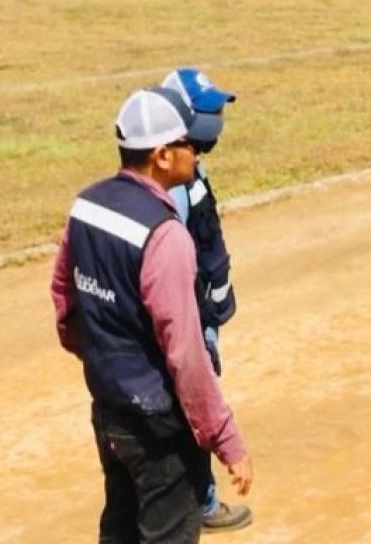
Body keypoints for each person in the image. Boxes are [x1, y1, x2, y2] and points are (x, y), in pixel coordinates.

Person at [51, 87, 254, 544]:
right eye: (190, 145)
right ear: (162, 155)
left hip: (108, 406)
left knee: (120, 527)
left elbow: (64, 300)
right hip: (158, 423)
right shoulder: (166, 235)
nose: (197, 155)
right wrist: (226, 438)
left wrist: (104, 357)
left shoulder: (86, 206)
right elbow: (185, 353)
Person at [159, 67, 252, 532]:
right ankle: (203, 502)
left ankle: (198, 499)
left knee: (195, 400)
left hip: (205, 310)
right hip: (191, 315)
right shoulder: (172, 182)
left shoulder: (189, 165)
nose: (216, 118)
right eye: (207, 108)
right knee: (195, 403)